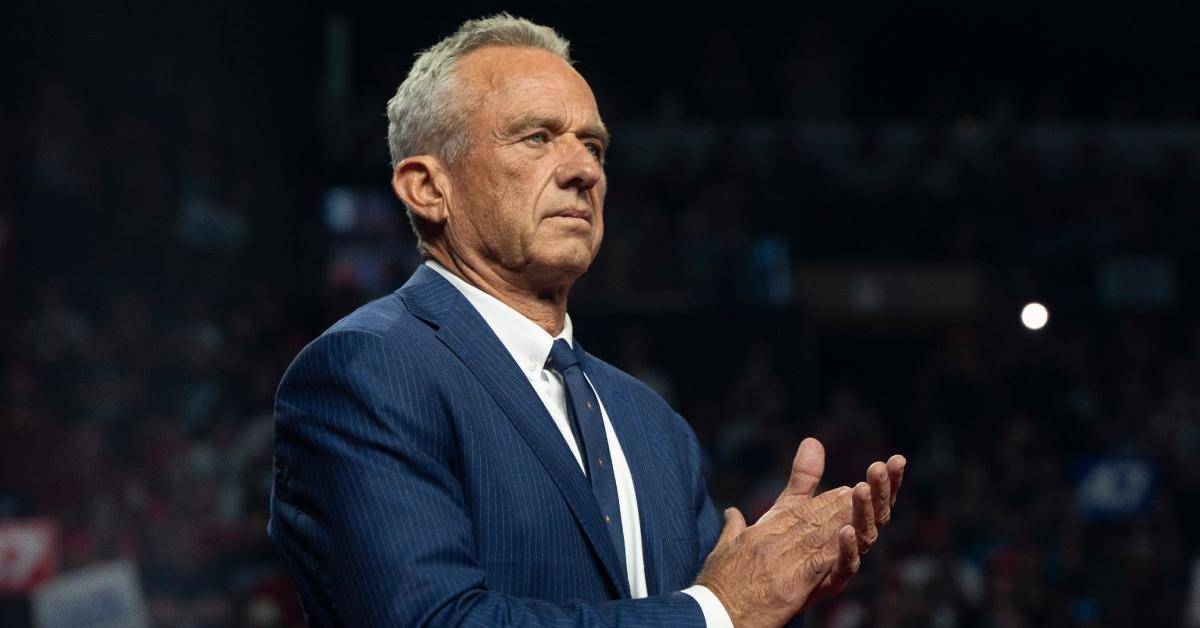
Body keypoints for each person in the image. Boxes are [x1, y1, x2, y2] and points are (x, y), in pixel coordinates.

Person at [268, 14, 906, 627]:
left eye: (593, 144)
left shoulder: (653, 424)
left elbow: (715, 614)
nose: (585, 170)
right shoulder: (365, 372)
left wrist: (779, 594)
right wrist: (722, 609)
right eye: (537, 137)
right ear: (430, 189)